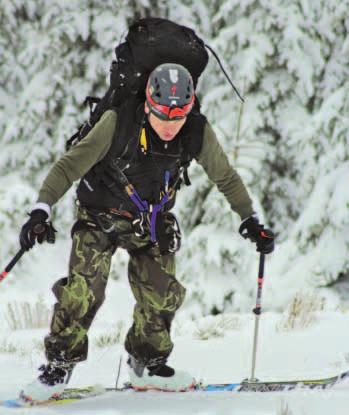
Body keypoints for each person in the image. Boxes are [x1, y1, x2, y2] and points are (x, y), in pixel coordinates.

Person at [19, 63, 274, 399]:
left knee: (163, 293)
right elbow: (68, 167)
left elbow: (224, 176)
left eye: (179, 116)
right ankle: (58, 367)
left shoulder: (196, 131)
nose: (171, 125)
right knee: (84, 290)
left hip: (150, 221)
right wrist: (41, 209)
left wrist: (249, 219)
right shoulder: (117, 123)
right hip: (100, 216)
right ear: (149, 105)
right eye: (163, 116)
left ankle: (147, 363)